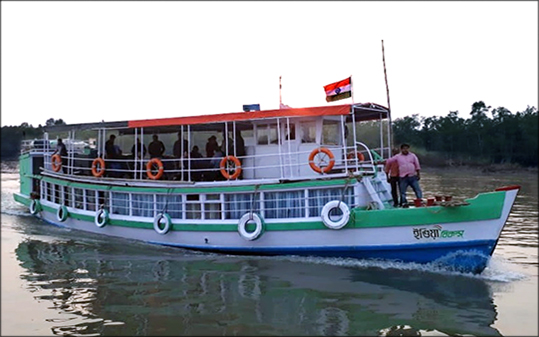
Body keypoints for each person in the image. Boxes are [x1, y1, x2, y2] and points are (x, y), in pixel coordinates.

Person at [385, 143, 422, 207]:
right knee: (402, 192)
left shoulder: (413, 156)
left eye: (407, 148)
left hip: (412, 176)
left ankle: (419, 201)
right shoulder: (398, 157)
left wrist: (418, 174)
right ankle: (404, 203)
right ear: (401, 149)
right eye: (404, 149)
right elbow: (389, 161)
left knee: (417, 189)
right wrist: (382, 162)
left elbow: (417, 165)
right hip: (403, 177)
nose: (405, 150)